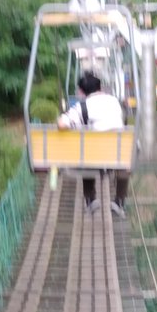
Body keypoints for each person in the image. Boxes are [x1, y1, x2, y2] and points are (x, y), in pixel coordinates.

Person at [57, 70, 129, 216]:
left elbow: (62, 124)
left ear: (82, 92)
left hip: (95, 157)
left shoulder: (82, 107)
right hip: (118, 155)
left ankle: (91, 199)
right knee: (123, 156)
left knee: (85, 152)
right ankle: (119, 201)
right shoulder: (114, 101)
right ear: (100, 88)